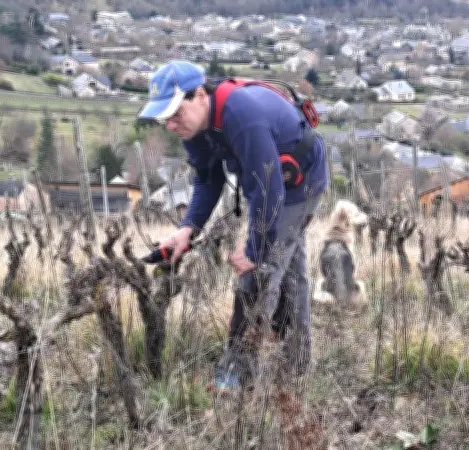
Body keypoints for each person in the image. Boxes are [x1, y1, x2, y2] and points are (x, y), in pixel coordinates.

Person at [137, 60, 328, 392]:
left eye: (175, 113)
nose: (170, 124)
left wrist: (255, 250)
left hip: (301, 181)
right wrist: (188, 228)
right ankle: (296, 367)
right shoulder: (193, 127)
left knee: (259, 273)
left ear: (199, 95)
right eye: (164, 117)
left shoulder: (242, 116)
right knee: (288, 270)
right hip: (272, 184)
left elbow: (268, 192)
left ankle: (235, 379)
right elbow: (208, 179)